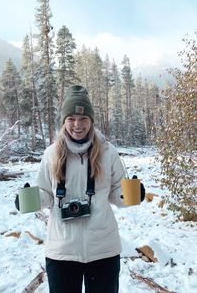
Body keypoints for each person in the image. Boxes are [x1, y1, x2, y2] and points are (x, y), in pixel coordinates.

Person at [21, 85, 145, 293]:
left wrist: (132, 194)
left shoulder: (109, 152)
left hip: (103, 251)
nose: (77, 125)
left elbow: (116, 193)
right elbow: (46, 195)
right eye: (71, 119)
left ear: (91, 121)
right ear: (63, 121)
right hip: (62, 252)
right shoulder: (51, 154)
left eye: (83, 119)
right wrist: (29, 199)